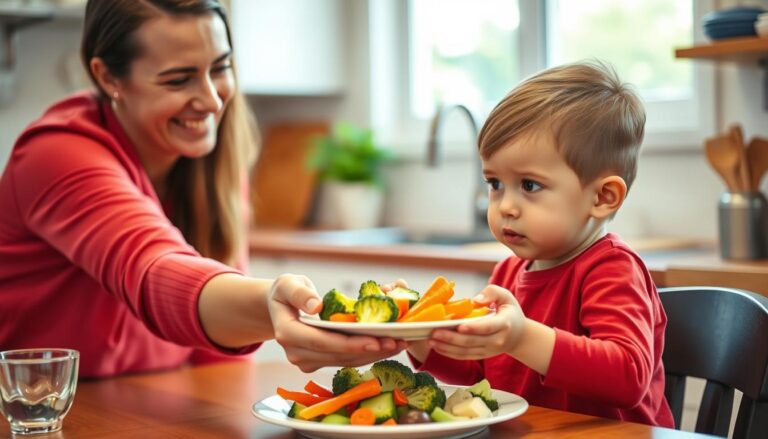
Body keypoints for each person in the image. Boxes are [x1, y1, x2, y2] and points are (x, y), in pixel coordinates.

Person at [0, 0, 404, 378]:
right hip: (45, 414)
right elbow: (154, 270)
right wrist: (271, 305)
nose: (211, 101)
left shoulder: (214, 163)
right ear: (108, 77)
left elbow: (213, 360)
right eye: (178, 80)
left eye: (220, 68)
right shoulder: (56, 153)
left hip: (158, 403)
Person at [407, 61, 674, 426]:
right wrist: (418, 338)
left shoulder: (612, 269)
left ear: (603, 197)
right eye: (495, 184)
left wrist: (519, 337)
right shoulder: (509, 270)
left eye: (529, 185)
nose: (505, 207)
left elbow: (628, 376)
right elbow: (480, 378)